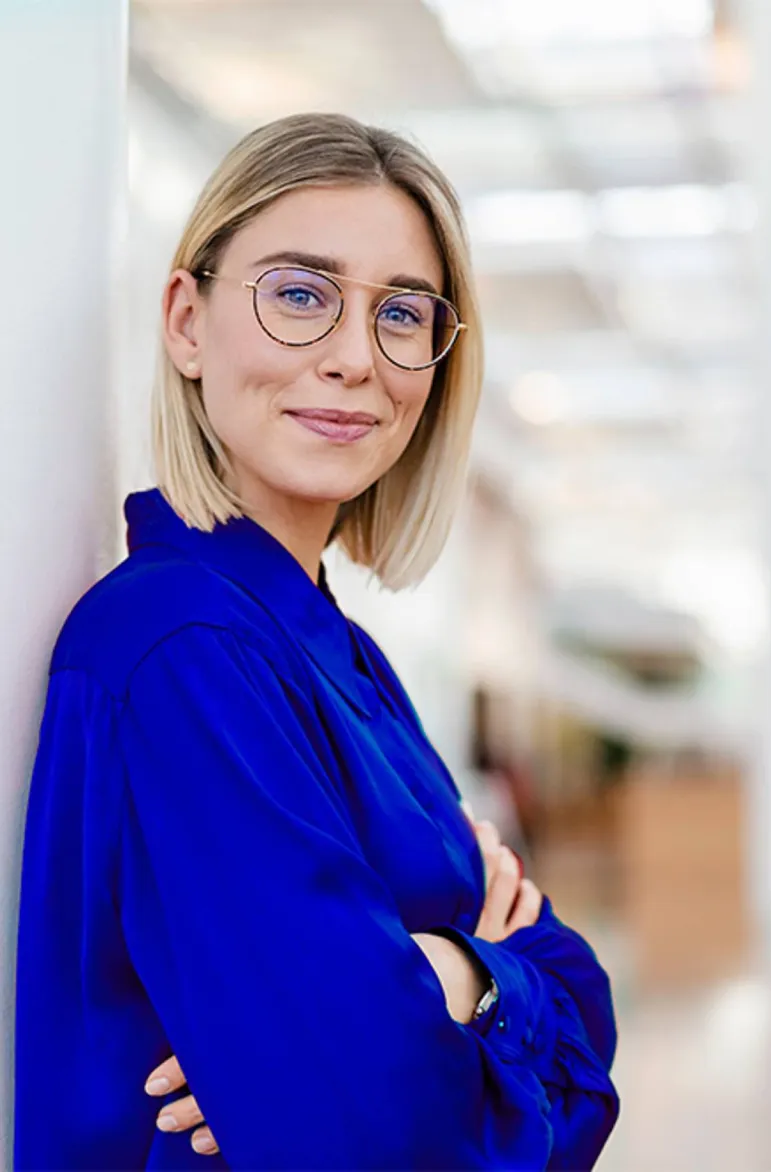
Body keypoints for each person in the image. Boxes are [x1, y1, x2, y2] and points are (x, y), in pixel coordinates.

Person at [14, 113, 619, 1170]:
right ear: (186, 322)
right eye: (300, 295)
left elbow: (585, 1005)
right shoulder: (178, 649)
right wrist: (484, 974)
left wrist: (455, 978)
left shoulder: (338, 654)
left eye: (402, 313)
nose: (353, 358)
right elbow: (371, 1126)